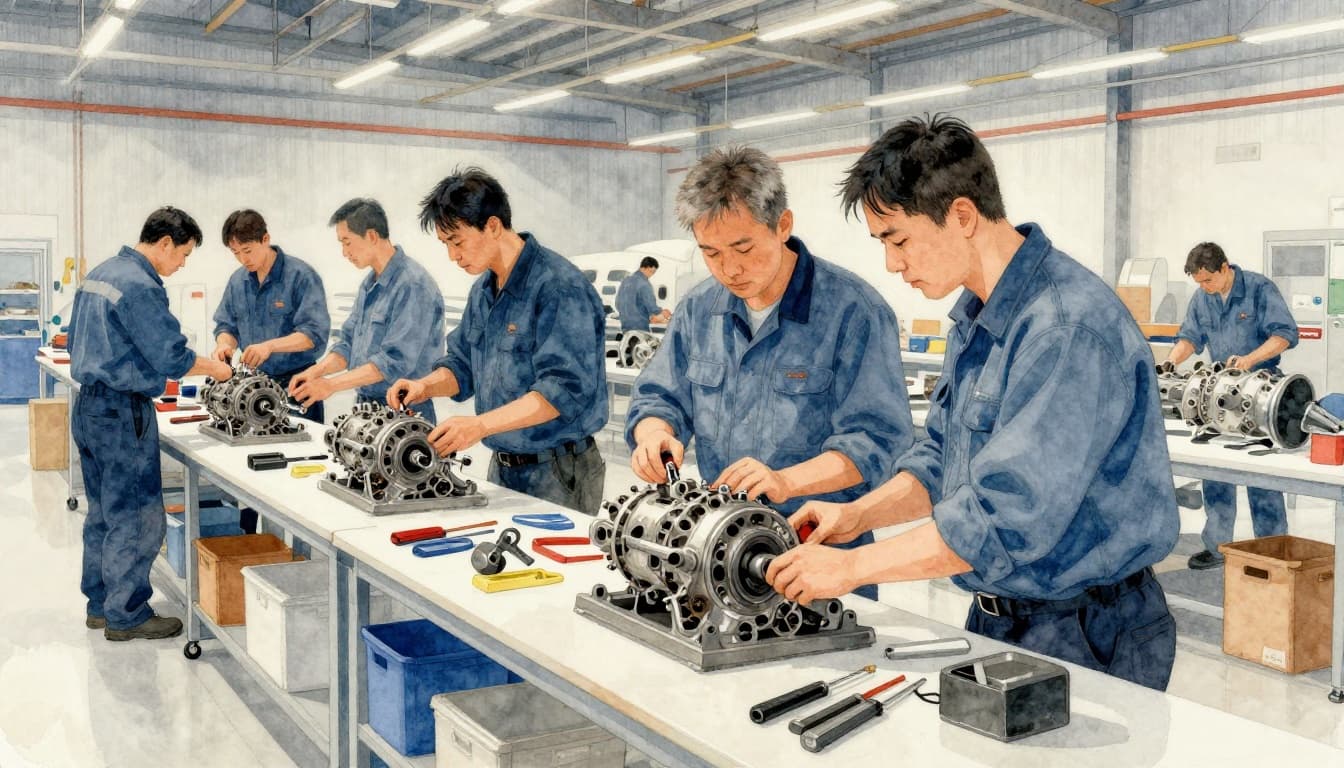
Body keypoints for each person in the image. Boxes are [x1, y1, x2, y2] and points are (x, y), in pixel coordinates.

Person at [767, 115, 1181, 691]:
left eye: (898, 239)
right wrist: (857, 516)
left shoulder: (1064, 329)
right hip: (999, 616)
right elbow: (941, 459)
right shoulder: (977, 316)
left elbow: (1004, 518)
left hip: (1086, 630)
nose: (892, 263)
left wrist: (853, 567)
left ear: (961, 215)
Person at [626, 146, 914, 601]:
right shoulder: (700, 309)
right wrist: (653, 434)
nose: (730, 269)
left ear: (783, 226)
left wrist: (788, 481)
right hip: (718, 556)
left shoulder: (853, 311)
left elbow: (877, 443)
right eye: (711, 254)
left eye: (743, 248)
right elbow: (660, 397)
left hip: (820, 561)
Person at [387, 168, 609, 513]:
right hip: (503, 466)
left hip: (559, 472)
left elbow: (560, 392)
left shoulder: (558, 287)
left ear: (492, 226)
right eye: (446, 245)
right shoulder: (484, 290)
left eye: (457, 242)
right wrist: (424, 387)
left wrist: (479, 425)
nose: (453, 256)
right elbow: (462, 365)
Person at [69, 206, 233, 641]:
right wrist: (216, 371)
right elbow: (172, 357)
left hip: (89, 407)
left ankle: (101, 605)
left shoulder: (101, 274)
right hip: (123, 414)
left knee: (103, 511)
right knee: (138, 515)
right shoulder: (141, 285)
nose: (181, 265)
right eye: (183, 255)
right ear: (164, 243)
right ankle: (128, 615)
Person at [1161, 241, 1299, 570]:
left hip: (1261, 390)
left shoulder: (1259, 289)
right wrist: (1170, 362)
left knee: (1261, 476)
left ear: (1225, 268)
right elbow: (1190, 338)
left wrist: (1250, 360)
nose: (1204, 288)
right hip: (1218, 391)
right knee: (1216, 471)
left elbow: (1285, 334)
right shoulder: (1202, 297)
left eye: (1208, 281)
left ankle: (1270, 551)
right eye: (1199, 283)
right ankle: (1217, 546)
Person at [290, 198, 444, 423]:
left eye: (347, 242)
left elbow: (392, 362)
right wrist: (314, 373)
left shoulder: (414, 285)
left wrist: (330, 385)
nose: (344, 252)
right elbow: (347, 345)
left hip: (405, 415)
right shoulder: (368, 284)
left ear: (371, 236)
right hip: (365, 411)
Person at [211, 209, 330, 424]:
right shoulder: (237, 281)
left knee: (301, 455)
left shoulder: (301, 276)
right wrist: (224, 345)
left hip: (297, 387)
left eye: (247, 250)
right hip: (252, 390)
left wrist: (269, 346)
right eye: (235, 252)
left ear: (265, 239)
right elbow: (226, 325)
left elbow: (314, 335)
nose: (242, 259)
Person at [615, 256, 671, 333]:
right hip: (640, 326)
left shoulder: (626, 281)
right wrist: (663, 312)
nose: (651, 275)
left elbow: (617, 304)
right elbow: (652, 307)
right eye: (651, 271)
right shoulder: (644, 284)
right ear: (644, 268)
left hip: (625, 326)